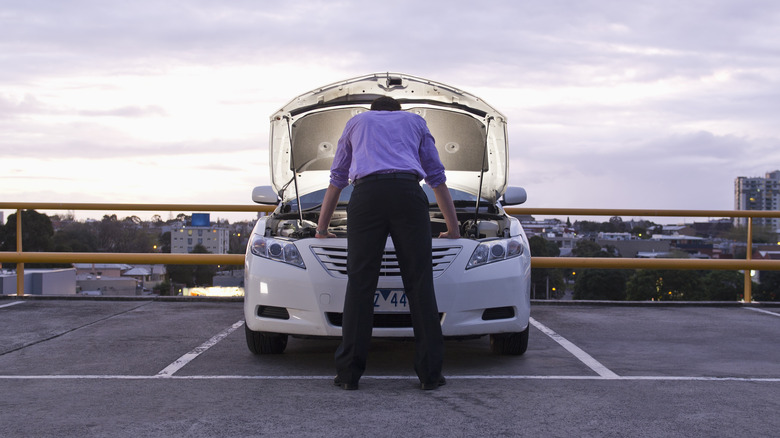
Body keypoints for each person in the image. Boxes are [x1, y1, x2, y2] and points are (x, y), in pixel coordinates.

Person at [316, 96, 461, 390]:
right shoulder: (415, 121)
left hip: (367, 196)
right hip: (408, 193)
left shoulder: (356, 122)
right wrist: (453, 228)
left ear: (374, 112)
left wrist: (321, 229)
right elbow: (436, 177)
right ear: (397, 111)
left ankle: (348, 375)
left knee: (360, 283)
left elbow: (337, 178)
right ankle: (431, 375)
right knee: (420, 283)